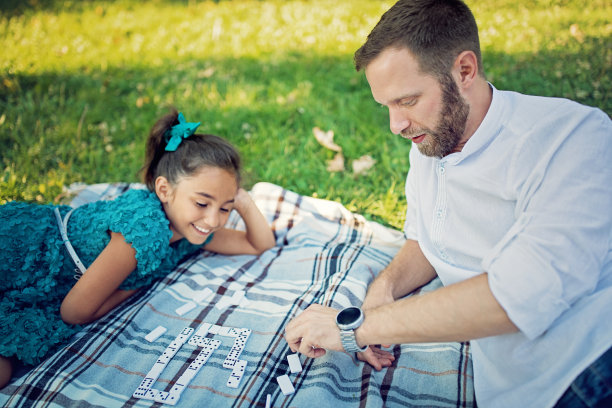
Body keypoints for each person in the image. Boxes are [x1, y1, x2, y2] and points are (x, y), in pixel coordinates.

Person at [284, 1, 612, 407]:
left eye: (407, 100)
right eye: (386, 106)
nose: (396, 125)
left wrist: (358, 327)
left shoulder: (571, 137)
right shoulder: (429, 143)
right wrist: (383, 290)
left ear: (465, 71)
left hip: (593, 362)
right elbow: (427, 240)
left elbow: (518, 297)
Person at [0, 109, 276, 388]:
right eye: (202, 203)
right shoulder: (143, 230)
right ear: (164, 190)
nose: (214, 220)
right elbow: (74, 312)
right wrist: (133, 288)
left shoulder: (191, 230)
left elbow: (259, 244)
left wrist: (243, 201)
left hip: (46, 284)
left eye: (225, 208)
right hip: (25, 252)